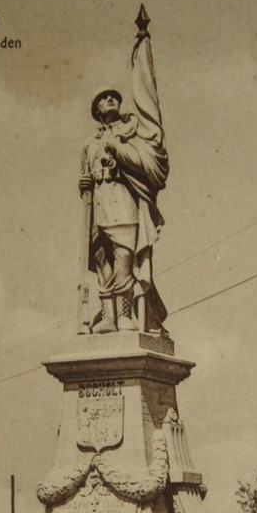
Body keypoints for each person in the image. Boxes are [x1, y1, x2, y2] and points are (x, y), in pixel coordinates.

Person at [79, 88, 168, 334]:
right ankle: (108, 317)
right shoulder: (89, 143)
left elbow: (144, 165)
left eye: (114, 98)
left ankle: (124, 315)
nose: (110, 100)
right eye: (103, 99)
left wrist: (117, 147)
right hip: (99, 206)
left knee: (124, 257)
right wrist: (83, 184)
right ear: (97, 110)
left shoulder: (131, 133)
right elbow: (85, 177)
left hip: (123, 201)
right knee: (101, 260)